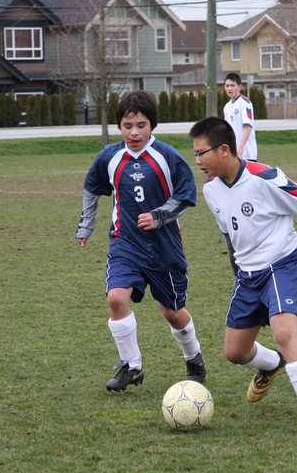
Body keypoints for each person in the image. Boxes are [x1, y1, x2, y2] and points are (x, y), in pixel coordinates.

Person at [189, 116, 297, 436]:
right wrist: (237, 274)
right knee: (235, 352)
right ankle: (272, 364)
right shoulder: (211, 190)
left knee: (284, 333)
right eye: (195, 154)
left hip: (282, 263)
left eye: (201, 153)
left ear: (223, 150)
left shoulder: (265, 177)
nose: (197, 160)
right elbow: (230, 237)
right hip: (247, 275)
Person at [76, 91, 206, 392]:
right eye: (127, 125)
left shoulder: (167, 156)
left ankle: (194, 358)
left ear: (152, 125)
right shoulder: (110, 157)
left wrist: (159, 216)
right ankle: (131, 366)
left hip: (164, 247)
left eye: (141, 125)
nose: (134, 132)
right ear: (119, 126)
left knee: (172, 312)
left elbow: (186, 195)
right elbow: (91, 187)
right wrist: (85, 225)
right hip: (125, 242)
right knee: (115, 298)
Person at [222, 73, 258, 161]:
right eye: (227, 86)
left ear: (239, 87)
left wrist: (240, 147)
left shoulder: (245, 103)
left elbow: (247, 127)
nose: (229, 88)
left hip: (247, 154)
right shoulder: (227, 107)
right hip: (233, 154)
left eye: (232, 85)